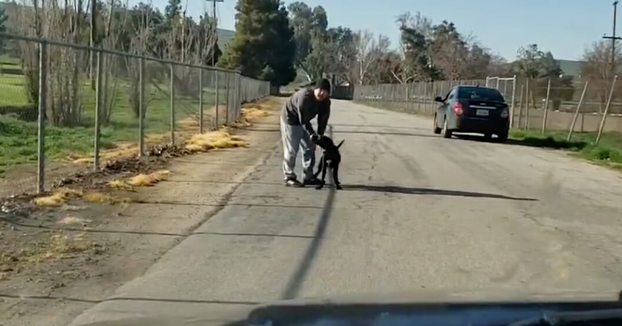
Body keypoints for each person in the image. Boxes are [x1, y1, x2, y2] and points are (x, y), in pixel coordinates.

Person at [280, 78, 332, 187]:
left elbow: (323, 120)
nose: (322, 93)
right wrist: (312, 133)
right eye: (320, 90)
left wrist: (319, 137)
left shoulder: (326, 102)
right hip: (291, 119)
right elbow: (302, 119)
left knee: (310, 146)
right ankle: (289, 176)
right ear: (315, 89)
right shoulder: (305, 97)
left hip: (304, 120)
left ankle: (308, 176)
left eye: (325, 91)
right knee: (292, 149)